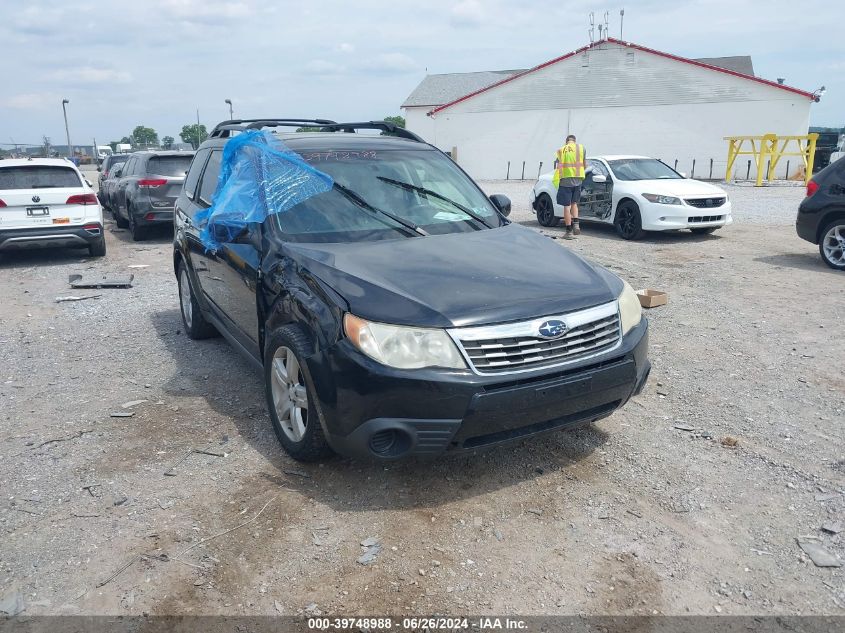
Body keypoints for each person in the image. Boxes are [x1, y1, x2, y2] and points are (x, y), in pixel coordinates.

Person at [553, 134, 586, 238]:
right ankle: (576, 224)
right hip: (578, 179)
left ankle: (569, 231)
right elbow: (585, 164)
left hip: (565, 181)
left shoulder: (560, 150)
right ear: (574, 141)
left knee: (566, 207)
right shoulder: (581, 148)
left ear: (566, 141)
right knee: (574, 203)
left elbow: (558, 167)